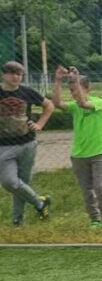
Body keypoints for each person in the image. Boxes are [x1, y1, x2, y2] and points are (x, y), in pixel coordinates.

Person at [51, 66, 102, 229]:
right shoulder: (73, 106)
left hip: (99, 153)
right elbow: (57, 103)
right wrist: (58, 80)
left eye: (77, 88)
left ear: (87, 89)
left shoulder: (98, 102)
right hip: (79, 155)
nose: (74, 93)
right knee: (87, 190)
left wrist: (76, 79)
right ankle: (95, 219)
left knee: (100, 187)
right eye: (71, 90)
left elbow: (84, 103)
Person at [1, 60, 53, 224]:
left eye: (19, 74)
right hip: (4, 145)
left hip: (27, 143)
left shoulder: (27, 92)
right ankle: (40, 202)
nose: (16, 77)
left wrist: (40, 124)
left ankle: (18, 220)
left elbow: (49, 106)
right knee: (10, 182)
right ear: (4, 74)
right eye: (12, 73)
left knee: (23, 182)